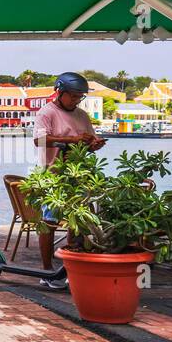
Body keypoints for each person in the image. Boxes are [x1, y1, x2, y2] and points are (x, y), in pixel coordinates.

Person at [32, 72, 106, 285]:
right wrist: (72, 139)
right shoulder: (46, 113)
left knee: (78, 222)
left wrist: (94, 144)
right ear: (60, 92)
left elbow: (88, 140)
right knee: (49, 222)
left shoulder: (82, 116)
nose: (76, 100)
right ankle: (46, 271)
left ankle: (70, 266)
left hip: (79, 174)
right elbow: (40, 140)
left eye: (80, 96)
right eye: (73, 96)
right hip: (53, 175)